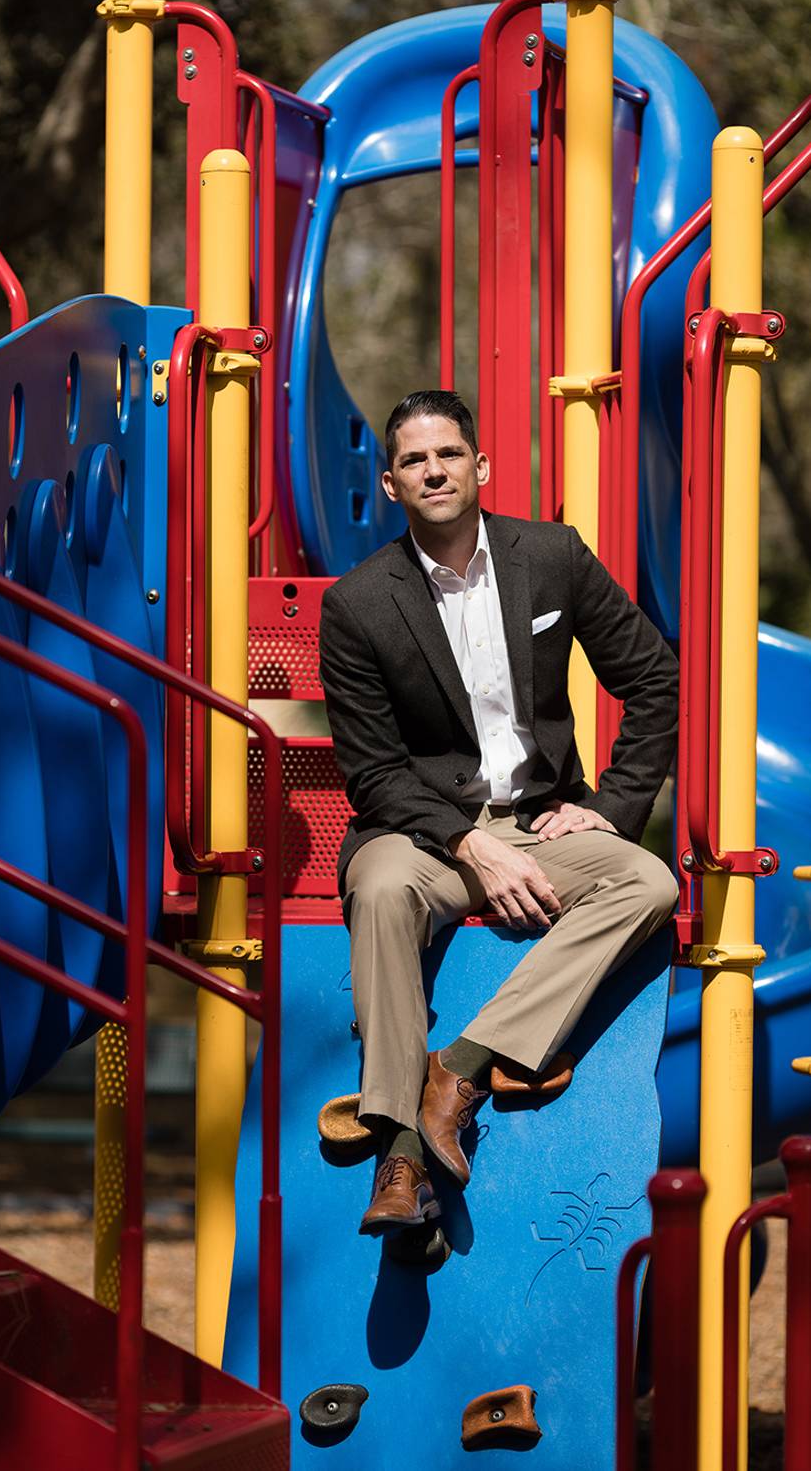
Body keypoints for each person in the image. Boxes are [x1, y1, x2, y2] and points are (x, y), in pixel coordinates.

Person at [318, 389, 679, 1238]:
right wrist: (472, 844)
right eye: (414, 460)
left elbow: (654, 678)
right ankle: (401, 1156)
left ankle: (461, 1072)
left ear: (481, 466)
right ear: (392, 483)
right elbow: (373, 772)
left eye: (448, 454)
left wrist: (612, 810)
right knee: (379, 892)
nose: (433, 470)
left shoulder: (551, 557)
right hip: (423, 834)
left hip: (543, 817)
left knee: (647, 883)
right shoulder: (360, 602)